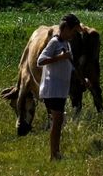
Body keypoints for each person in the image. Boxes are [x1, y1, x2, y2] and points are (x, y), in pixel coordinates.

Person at [35, 13, 82, 160]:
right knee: (57, 121)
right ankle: (54, 154)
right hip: (52, 88)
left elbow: (71, 67)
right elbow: (40, 61)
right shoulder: (55, 42)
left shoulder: (66, 44)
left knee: (58, 121)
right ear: (66, 28)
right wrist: (59, 57)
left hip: (61, 90)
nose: (74, 34)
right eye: (73, 31)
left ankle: (55, 153)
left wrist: (82, 80)